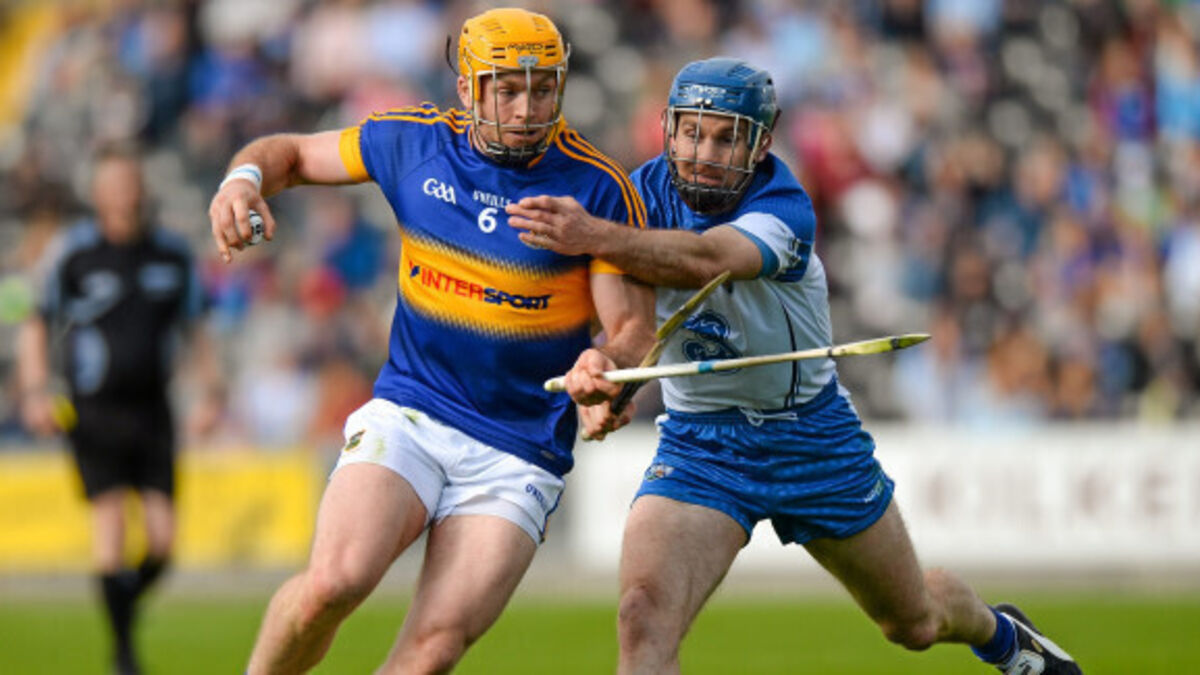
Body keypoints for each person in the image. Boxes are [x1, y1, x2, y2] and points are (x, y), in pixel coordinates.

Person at [506, 57, 1083, 675]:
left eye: (727, 138)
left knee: (913, 622)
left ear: (761, 144)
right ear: (669, 130)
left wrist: (593, 236)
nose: (705, 153)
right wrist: (606, 374)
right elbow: (635, 334)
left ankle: (1002, 635)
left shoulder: (784, 206)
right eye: (693, 133)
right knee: (643, 618)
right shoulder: (631, 202)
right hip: (702, 447)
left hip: (811, 435)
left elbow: (706, 259)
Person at [207, 8, 655, 674]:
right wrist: (241, 181)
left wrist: (608, 366)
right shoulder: (413, 144)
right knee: (334, 583)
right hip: (413, 411)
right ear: (467, 89)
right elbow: (292, 155)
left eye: (542, 88)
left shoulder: (597, 187)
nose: (527, 108)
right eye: (507, 89)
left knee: (433, 648)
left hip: (518, 449)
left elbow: (633, 329)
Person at [17, 141, 220, 675]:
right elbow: (36, 321)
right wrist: (35, 390)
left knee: (163, 541)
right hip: (94, 410)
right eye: (113, 183)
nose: (124, 193)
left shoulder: (171, 254)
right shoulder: (73, 253)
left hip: (154, 410)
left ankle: (122, 608)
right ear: (97, 192)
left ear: (141, 186)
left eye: (130, 181)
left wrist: (210, 393)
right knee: (109, 529)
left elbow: (198, 329)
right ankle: (124, 654)